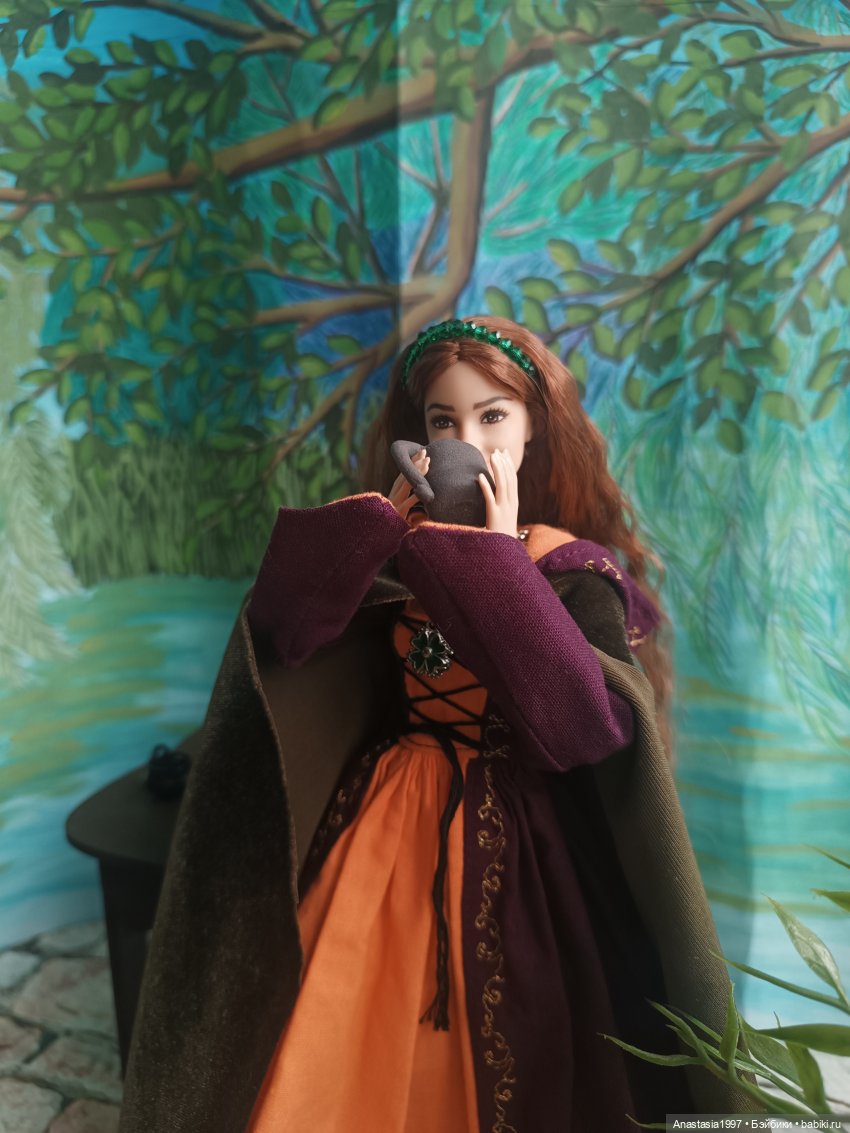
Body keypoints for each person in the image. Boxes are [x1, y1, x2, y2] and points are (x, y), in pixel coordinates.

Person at [118, 317, 749, 1133]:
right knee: (340, 1015)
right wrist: (371, 530)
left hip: (517, 841)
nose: (466, 441)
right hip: (384, 817)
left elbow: (580, 726)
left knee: (522, 1033)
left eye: (493, 415)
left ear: (535, 427)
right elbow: (282, 637)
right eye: (443, 420)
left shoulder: (567, 568)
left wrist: (497, 558)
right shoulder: (397, 553)